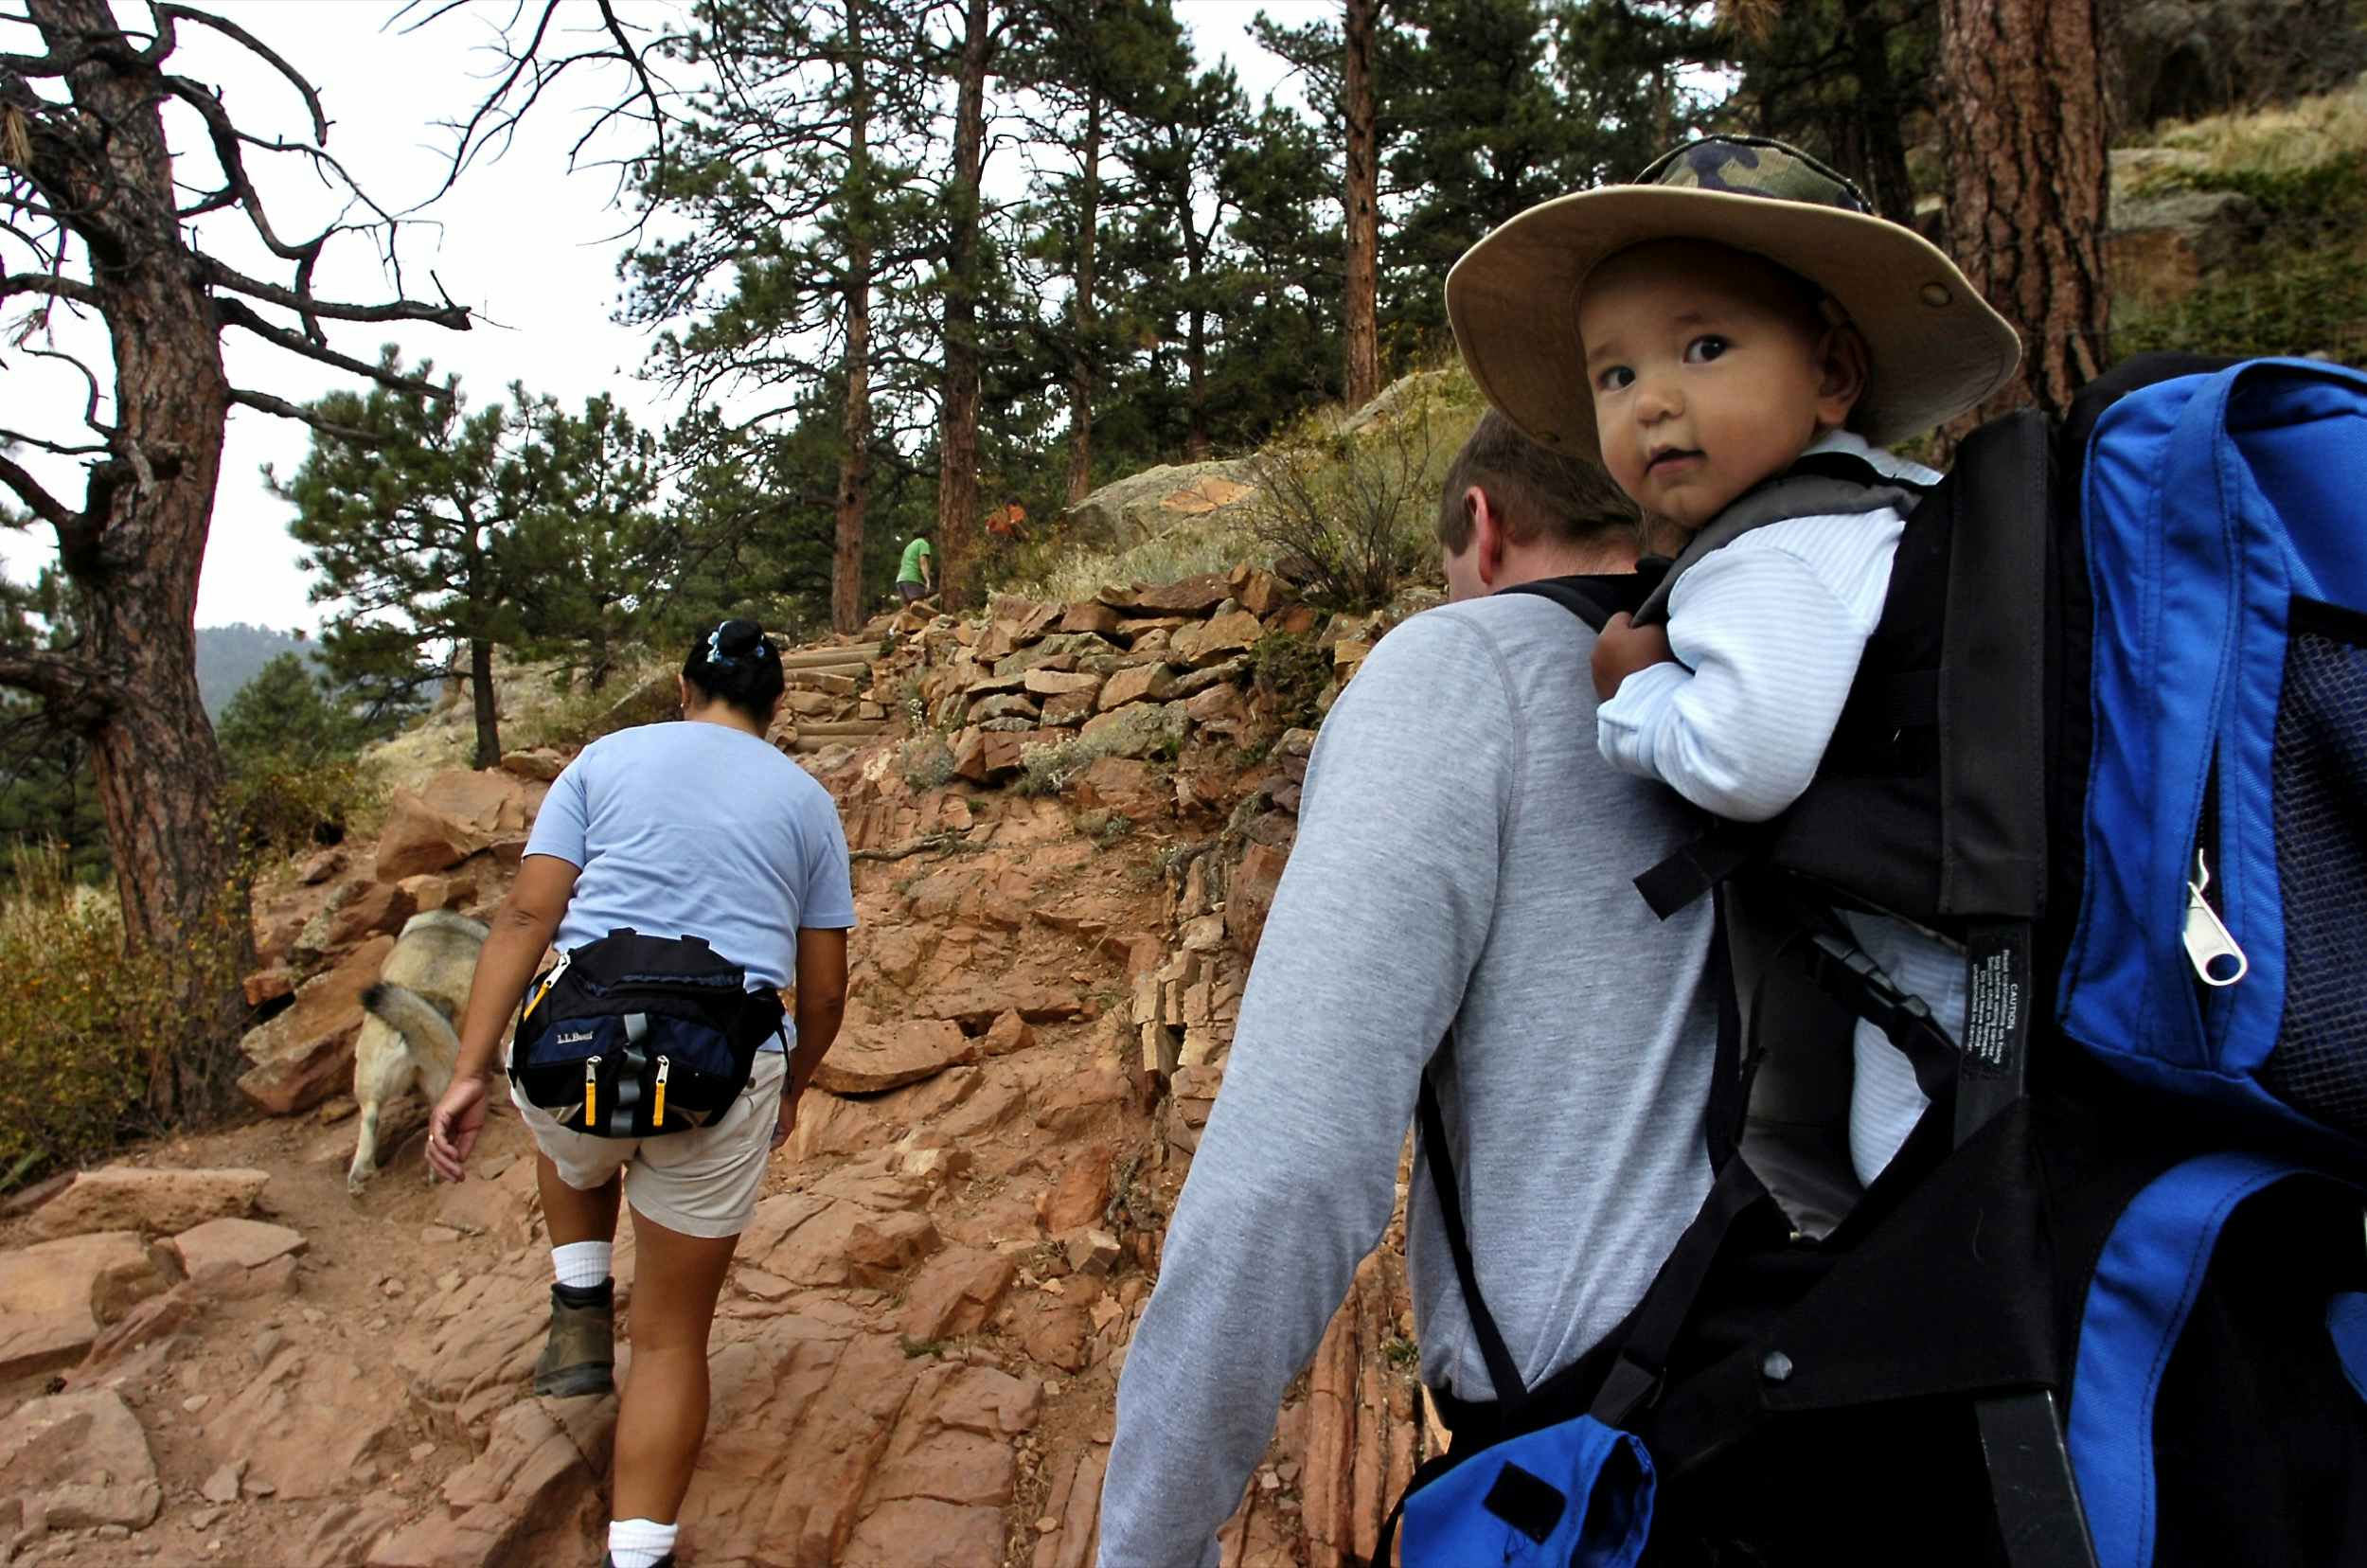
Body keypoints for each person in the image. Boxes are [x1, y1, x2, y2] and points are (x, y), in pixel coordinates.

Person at [1095, 411, 1718, 1568]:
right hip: (1882, 1419)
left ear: (1481, 530)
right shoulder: (1791, 667)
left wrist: (1146, 1545)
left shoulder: (1467, 665)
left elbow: (1288, 1178)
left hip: (1608, 1481)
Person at [1446, 134, 2021, 1185]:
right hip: (2004, 955)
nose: (1651, 401)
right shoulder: (1896, 510)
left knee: (1907, 1223)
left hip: (1951, 994)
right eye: (1614, 374)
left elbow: (1747, 758)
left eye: (1703, 349)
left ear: (1835, 371)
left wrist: (1632, 693)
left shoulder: (1767, 552)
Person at [425, 617, 855, 1568]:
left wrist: (466, 1072)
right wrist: (792, 1086)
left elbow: (529, 914)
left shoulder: (605, 760)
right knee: (667, 1345)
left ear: (681, 684)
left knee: (569, 1112)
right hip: (721, 1070)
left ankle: (578, 1300)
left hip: (573, 1050)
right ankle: (637, 1553)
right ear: (774, 703)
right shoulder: (807, 800)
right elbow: (823, 991)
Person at [895, 534, 934, 603]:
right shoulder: (923, 543)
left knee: (909, 613)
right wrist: (927, 580)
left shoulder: (908, 547)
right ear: (927, 536)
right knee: (919, 608)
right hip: (912, 579)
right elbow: (923, 562)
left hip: (900, 581)